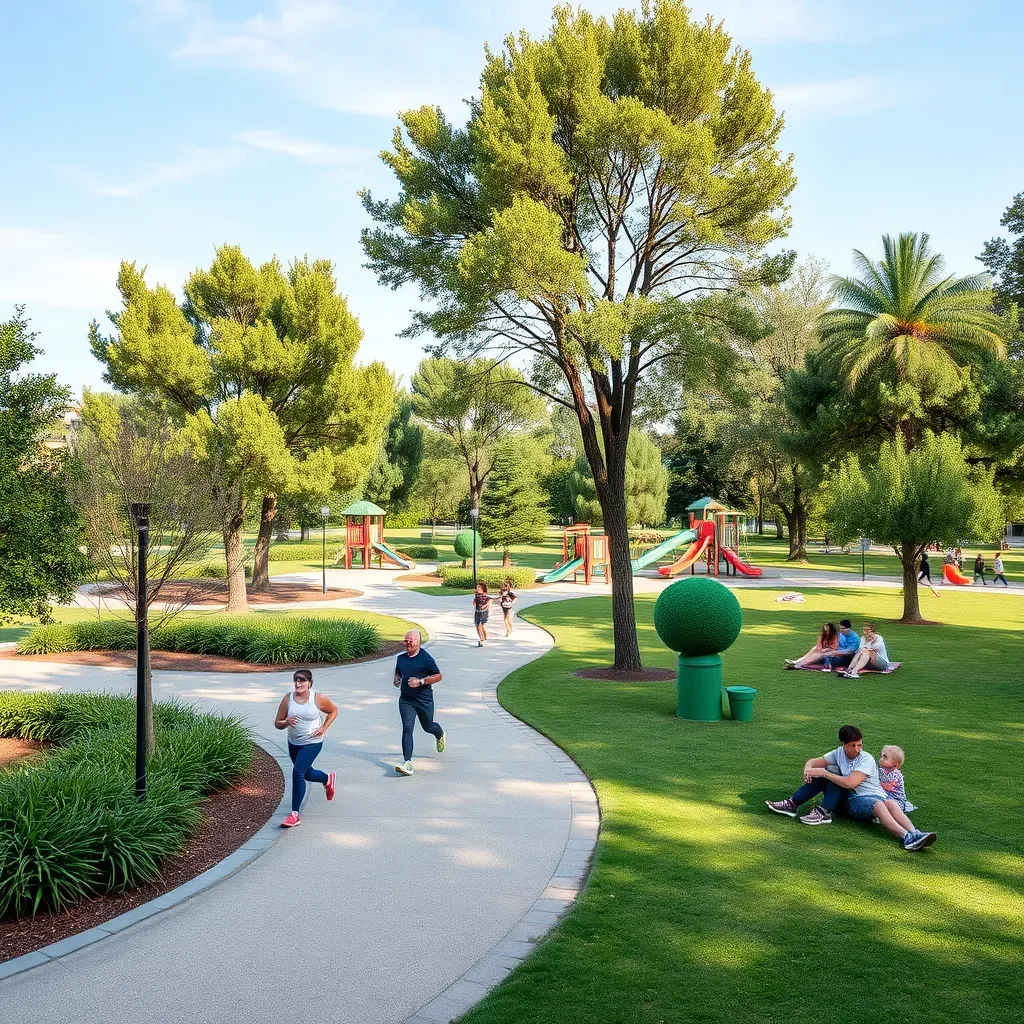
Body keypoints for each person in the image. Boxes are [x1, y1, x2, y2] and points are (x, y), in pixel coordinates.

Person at [765, 724, 936, 850]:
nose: (856, 749)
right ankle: (795, 805)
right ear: (843, 744)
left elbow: (851, 783)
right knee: (832, 772)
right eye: (852, 745)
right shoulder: (838, 753)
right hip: (856, 799)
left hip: (872, 796)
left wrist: (824, 773)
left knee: (888, 803)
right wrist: (808, 769)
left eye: (859, 744)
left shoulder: (866, 759)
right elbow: (814, 761)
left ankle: (914, 834)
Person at [274, 669, 338, 828]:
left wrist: (323, 728)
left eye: (302, 680)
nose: (298, 684)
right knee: (307, 773)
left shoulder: (318, 698)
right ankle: (326, 778)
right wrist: (286, 722)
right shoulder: (287, 699)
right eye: (296, 680)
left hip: (313, 741)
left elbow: (333, 711)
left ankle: (295, 814)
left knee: (298, 772)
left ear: (309, 683)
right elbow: (277, 723)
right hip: (294, 742)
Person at [393, 629, 445, 776]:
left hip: (424, 701)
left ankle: (439, 733)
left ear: (419, 642)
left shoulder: (426, 658)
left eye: (411, 640)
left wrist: (421, 681)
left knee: (428, 726)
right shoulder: (401, 658)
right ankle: (407, 762)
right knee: (407, 728)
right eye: (406, 640)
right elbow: (399, 671)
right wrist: (396, 678)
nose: (408, 642)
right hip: (406, 700)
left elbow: (438, 675)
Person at [878, 744, 908, 811]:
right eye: (881, 756)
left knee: (888, 805)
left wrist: (877, 783)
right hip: (885, 797)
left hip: (897, 801)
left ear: (895, 763)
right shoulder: (881, 770)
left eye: (885, 757)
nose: (881, 758)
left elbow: (888, 787)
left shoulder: (896, 775)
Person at [472, 581, 491, 647]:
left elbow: (490, 600)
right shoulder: (477, 595)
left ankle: (483, 640)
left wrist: (486, 604)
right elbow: (475, 601)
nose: (477, 588)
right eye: (477, 587)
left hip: (483, 612)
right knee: (478, 626)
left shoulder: (484, 595)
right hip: (477, 611)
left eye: (479, 587)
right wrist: (474, 603)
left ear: (483, 588)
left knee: (480, 625)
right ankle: (483, 639)